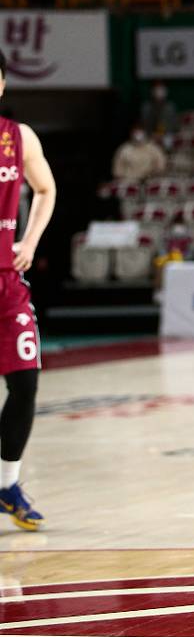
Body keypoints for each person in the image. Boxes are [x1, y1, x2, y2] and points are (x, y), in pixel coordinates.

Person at [0, 49, 57, 530]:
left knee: (25, 384)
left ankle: (7, 484)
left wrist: (30, 240)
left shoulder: (18, 139)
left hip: (8, 281)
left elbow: (46, 189)